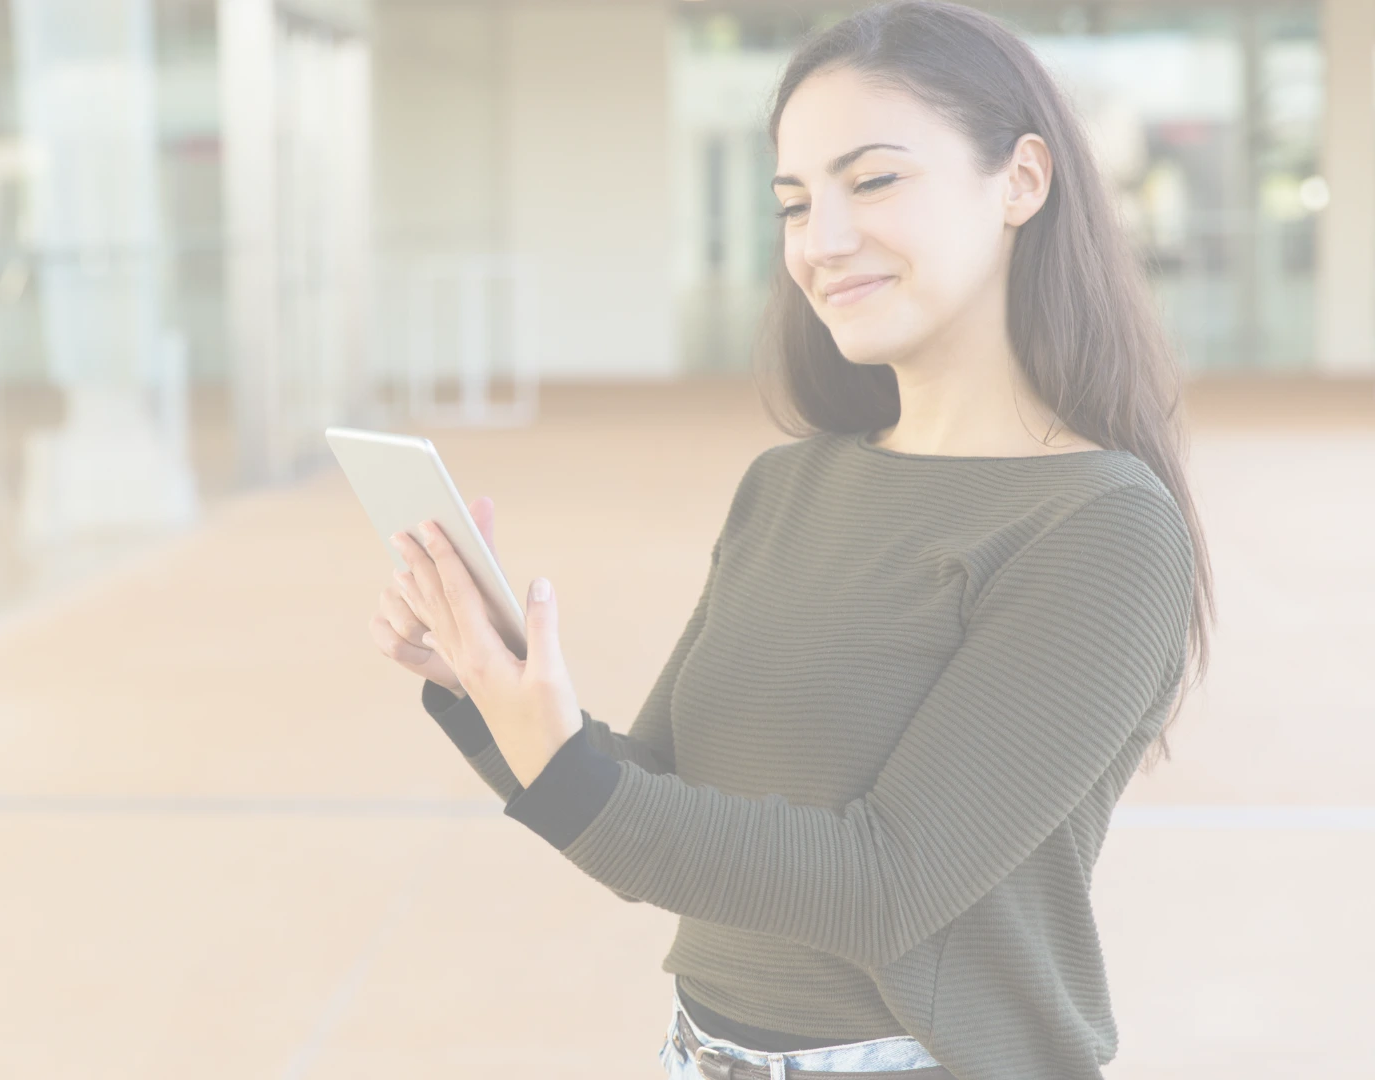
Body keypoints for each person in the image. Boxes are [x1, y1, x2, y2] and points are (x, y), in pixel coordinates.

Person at [366, 3, 1215, 1079]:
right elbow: (658, 808)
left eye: (873, 182)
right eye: (794, 201)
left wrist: (564, 767)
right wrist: (492, 692)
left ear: (1022, 180)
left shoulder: (1100, 526)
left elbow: (885, 884)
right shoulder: (789, 485)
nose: (822, 240)